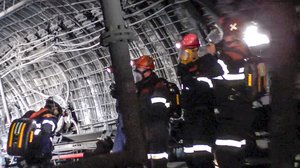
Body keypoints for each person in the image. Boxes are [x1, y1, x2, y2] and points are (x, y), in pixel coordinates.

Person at [212, 16, 271, 168]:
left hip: (232, 110)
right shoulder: (247, 56)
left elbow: (216, 73)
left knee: (226, 152)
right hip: (244, 108)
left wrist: (210, 55)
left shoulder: (228, 57)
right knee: (237, 151)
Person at [177, 33, 224, 168]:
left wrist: (212, 56)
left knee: (202, 154)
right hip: (189, 116)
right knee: (190, 155)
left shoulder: (206, 64)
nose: (184, 55)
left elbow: (219, 73)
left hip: (203, 115)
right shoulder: (185, 71)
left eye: (187, 50)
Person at [132, 55, 180, 168]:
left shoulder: (158, 86)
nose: (136, 74)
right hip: (145, 130)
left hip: (156, 130)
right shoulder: (140, 89)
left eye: (139, 70)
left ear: (148, 71)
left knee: (158, 160)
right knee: (145, 162)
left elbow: (158, 110)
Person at [23, 96, 66, 167]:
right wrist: (45, 153)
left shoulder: (34, 115)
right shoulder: (50, 118)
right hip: (38, 154)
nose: (59, 114)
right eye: (59, 111)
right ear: (55, 107)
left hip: (27, 152)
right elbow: (46, 135)